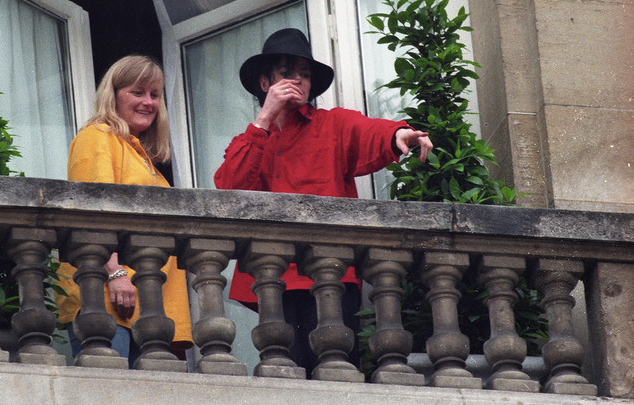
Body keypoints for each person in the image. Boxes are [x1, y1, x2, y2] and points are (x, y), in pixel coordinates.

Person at [214, 28, 433, 375]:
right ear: (264, 82)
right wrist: (264, 118)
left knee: (337, 374)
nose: (297, 81)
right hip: (275, 278)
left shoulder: (332, 124)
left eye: (305, 74)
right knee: (283, 375)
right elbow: (230, 189)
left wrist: (398, 133)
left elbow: (369, 130)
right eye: (287, 73)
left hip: (331, 275)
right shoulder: (252, 139)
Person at [55, 55, 193, 367]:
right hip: (110, 298)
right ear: (113, 95)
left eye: (155, 95)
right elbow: (93, 214)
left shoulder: (141, 155)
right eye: (138, 92)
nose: (148, 102)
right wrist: (115, 273)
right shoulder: (98, 137)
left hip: (148, 307)